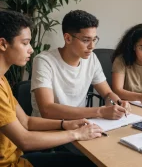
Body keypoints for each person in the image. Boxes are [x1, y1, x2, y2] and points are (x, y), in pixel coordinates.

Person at [0, 10, 102, 167]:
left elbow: (26, 122)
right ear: (3, 44)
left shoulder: (3, 80)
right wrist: (76, 134)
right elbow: (24, 140)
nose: (31, 49)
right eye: (25, 43)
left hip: (18, 159)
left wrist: (64, 124)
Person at [31, 10, 130, 120]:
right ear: (68, 38)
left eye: (94, 39)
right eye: (86, 40)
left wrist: (118, 102)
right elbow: (47, 110)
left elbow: (107, 93)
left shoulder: (91, 58)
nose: (92, 46)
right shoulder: (44, 61)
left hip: (80, 125)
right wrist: (99, 111)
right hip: (48, 128)